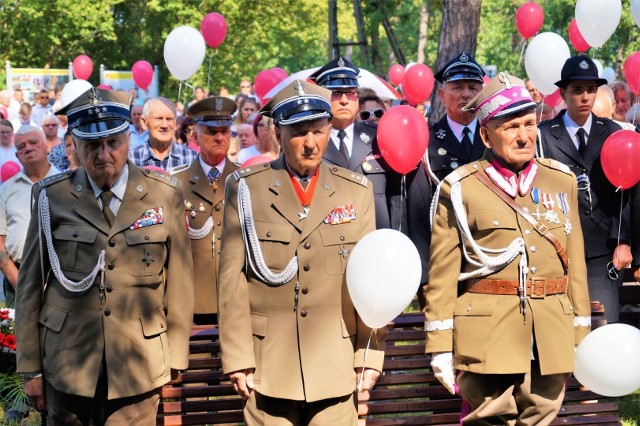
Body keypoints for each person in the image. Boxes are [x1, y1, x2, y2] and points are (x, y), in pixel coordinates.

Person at [15, 87, 194, 424]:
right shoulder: (51, 196)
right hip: (67, 362)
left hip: (138, 362)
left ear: (129, 137)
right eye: (92, 145)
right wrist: (30, 368)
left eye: (114, 142)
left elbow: (180, 282)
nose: (104, 154)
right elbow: (29, 286)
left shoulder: (164, 193)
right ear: (75, 145)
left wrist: (176, 356)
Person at [426, 72, 591, 425]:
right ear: (486, 135)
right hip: (486, 331)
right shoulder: (460, 188)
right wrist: (440, 344)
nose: (524, 136)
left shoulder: (560, 180)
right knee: (489, 418)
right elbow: (442, 275)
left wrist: (580, 331)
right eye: (511, 126)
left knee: (542, 414)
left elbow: (574, 264)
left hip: (549, 328)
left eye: (530, 124)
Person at [217, 80, 386, 425]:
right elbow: (232, 280)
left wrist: (368, 353)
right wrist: (237, 357)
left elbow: (369, 282)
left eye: (318, 131)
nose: (311, 143)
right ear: (277, 133)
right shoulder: (247, 187)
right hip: (268, 366)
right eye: (298, 132)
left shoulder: (355, 191)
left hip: (335, 364)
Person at [538, 55, 631, 323]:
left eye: (591, 90)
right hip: (557, 248)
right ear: (562, 93)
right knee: (562, 330)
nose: (585, 97)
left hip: (602, 250)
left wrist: (622, 240)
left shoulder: (613, 132)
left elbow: (625, 192)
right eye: (577, 90)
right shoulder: (543, 135)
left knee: (603, 326)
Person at [0, 125, 60, 422]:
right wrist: (21, 283)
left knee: (55, 340)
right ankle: (19, 403)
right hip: (17, 275)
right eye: (21, 146)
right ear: (16, 153)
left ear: (47, 145)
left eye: (33, 142)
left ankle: (57, 397)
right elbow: (0, 248)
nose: (27, 149)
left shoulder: (67, 182)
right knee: (16, 341)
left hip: (60, 276)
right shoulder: (5, 190)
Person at [173, 96, 239, 325]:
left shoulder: (245, 181)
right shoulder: (175, 183)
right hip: (193, 300)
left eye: (225, 130)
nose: (219, 137)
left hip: (237, 298)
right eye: (211, 132)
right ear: (194, 136)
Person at [129, 97, 198, 171]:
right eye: (159, 118)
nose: (164, 125)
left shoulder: (192, 158)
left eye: (169, 119)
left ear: (175, 124)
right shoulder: (131, 160)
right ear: (144, 122)